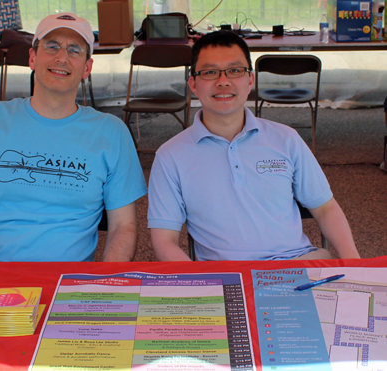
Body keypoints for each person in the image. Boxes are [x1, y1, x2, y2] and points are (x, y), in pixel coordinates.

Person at [0, 12, 147, 262]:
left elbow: (123, 227)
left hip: (69, 284)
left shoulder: (112, 133)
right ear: (32, 58)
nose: (62, 57)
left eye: (75, 50)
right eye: (52, 46)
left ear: (87, 68)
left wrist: (101, 287)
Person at [148, 30, 360, 262]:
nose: (223, 81)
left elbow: (325, 208)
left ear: (250, 80)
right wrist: (201, 286)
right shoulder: (170, 156)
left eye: (235, 70)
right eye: (210, 72)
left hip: (296, 265)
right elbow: (164, 241)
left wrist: (355, 263)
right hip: (224, 277)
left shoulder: (286, 139)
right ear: (194, 84)